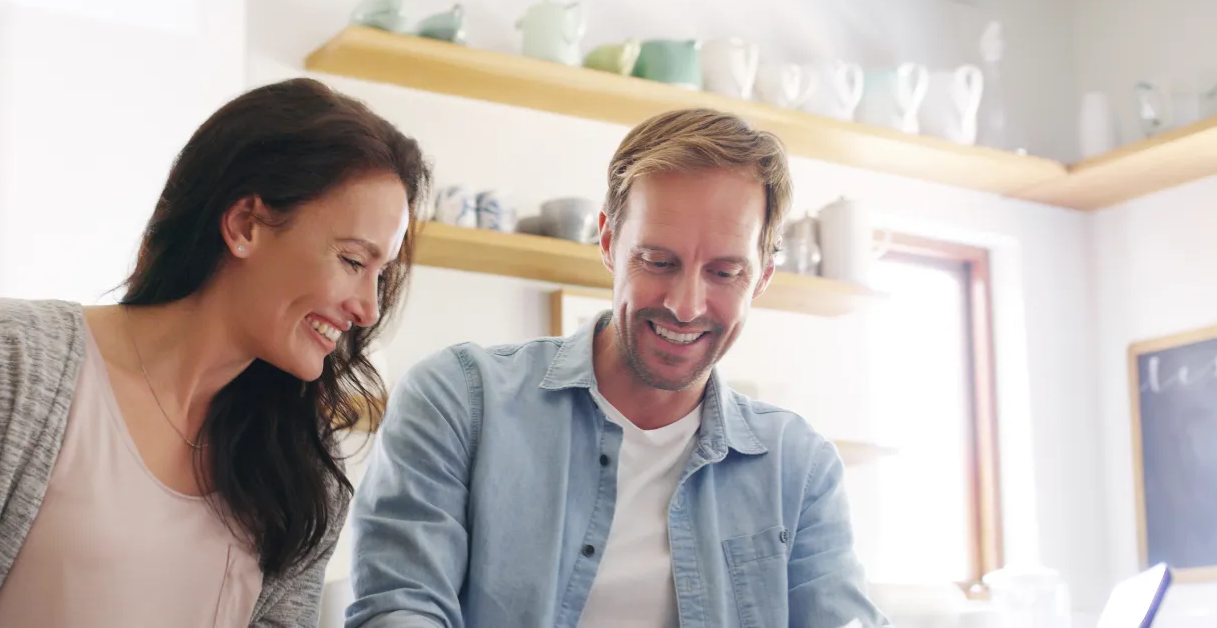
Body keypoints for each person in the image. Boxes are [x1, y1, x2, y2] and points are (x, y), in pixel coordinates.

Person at [0, 77, 429, 628]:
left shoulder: (303, 469)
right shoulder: (0, 363)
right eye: (353, 262)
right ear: (247, 224)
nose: (368, 309)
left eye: (381, 276)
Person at [345, 108, 888, 628]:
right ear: (607, 242)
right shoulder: (460, 401)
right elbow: (400, 606)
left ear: (763, 276)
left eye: (725, 272)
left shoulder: (799, 467)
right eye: (658, 262)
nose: (686, 305)